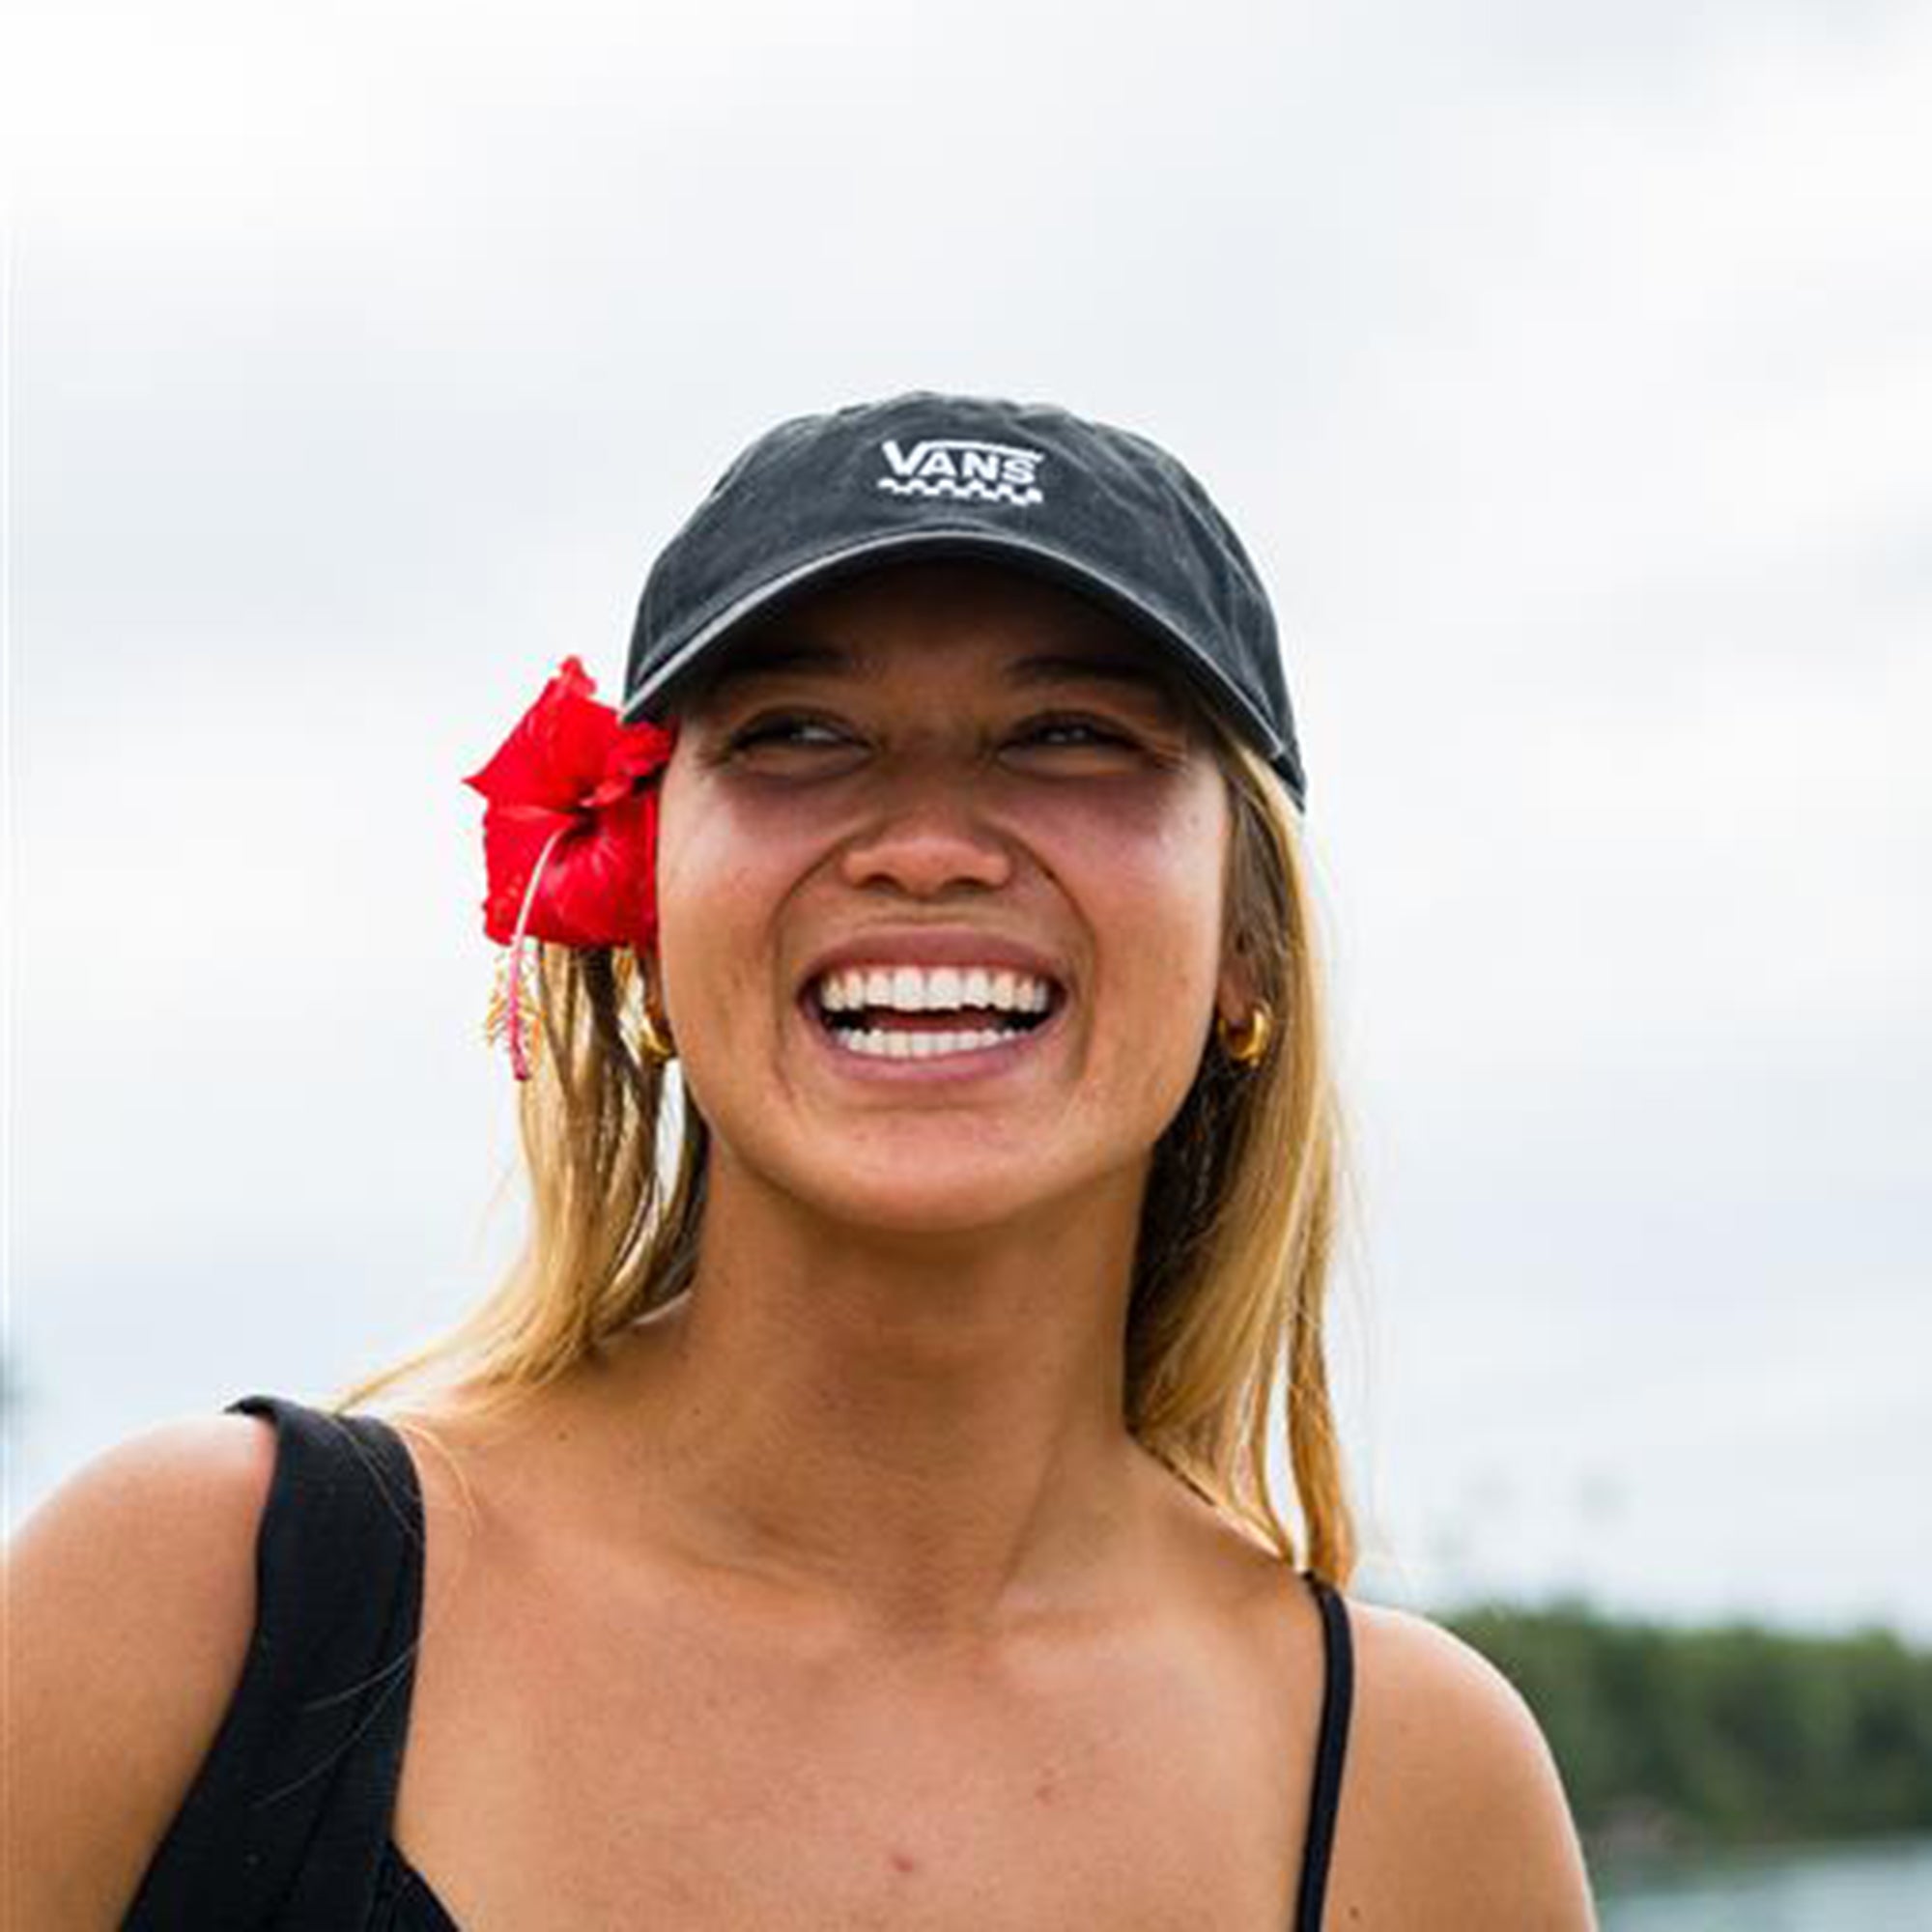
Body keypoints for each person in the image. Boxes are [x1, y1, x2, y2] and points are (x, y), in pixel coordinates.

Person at [6, 391, 1598, 1928]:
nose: (925, 844)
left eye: (1069, 735)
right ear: (634, 911)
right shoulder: (202, 1603)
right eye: (799, 733)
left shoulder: (1416, 1786)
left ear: (1246, 941)